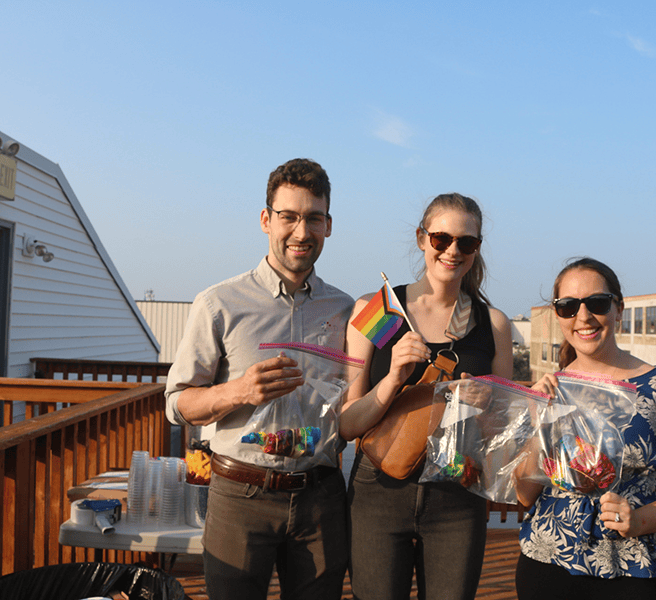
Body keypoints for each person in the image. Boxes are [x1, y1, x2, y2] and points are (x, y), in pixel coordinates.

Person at [164, 158, 353, 600]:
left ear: (329, 225)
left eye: (314, 218)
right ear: (266, 219)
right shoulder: (219, 303)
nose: (301, 232)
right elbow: (176, 404)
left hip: (320, 497)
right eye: (288, 216)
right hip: (240, 495)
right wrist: (237, 391)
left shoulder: (346, 311)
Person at [340, 193, 513, 600]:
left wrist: (487, 404)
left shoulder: (494, 324)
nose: (453, 250)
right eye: (441, 239)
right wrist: (392, 379)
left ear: (476, 248)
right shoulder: (378, 310)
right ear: (422, 239)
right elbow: (346, 424)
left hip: (458, 494)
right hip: (378, 489)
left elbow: (504, 432)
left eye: (465, 242)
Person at [515, 257, 656, 600]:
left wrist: (639, 521)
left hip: (629, 567)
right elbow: (525, 494)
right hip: (545, 561)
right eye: (568, 306)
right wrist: (537, 420)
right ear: (559, 316)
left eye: (597, 303)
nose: (583, 316)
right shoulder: (550, 390)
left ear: (618, 310)